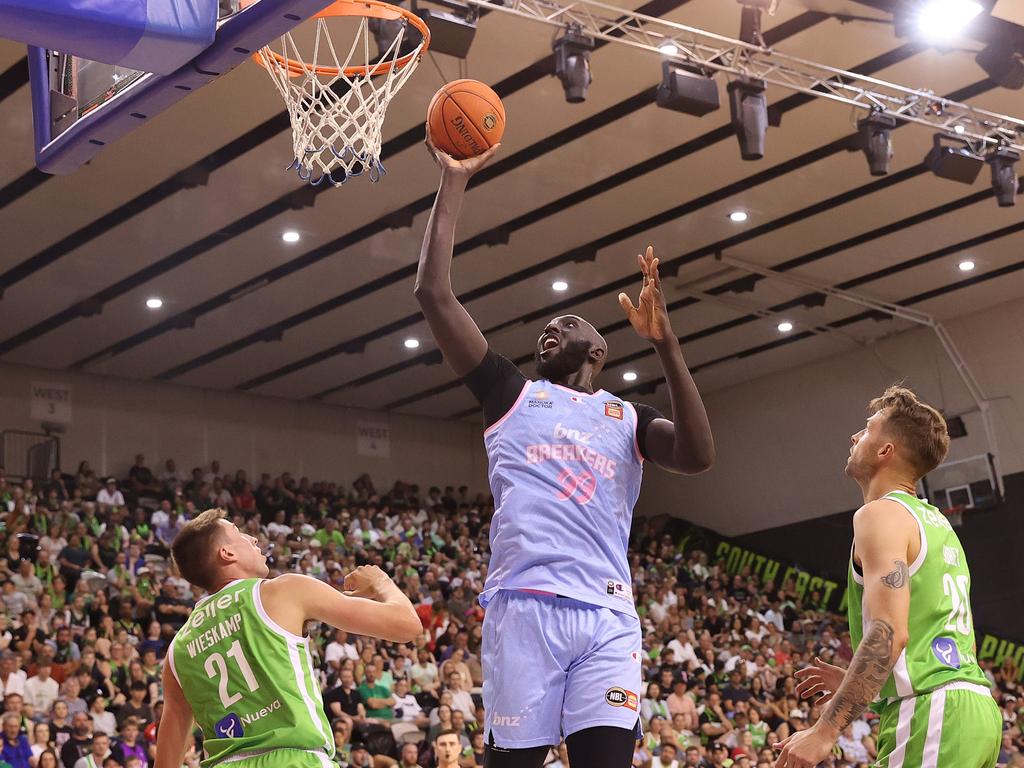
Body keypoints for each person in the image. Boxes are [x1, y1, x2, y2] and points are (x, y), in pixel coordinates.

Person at [416, 139, 714, 768]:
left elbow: (697, 456)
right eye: (546, 329)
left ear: (600, 350)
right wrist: (453, 181)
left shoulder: (627, 417)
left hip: (607, 614)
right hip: (525, 607)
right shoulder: (509, 393)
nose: (550, 330)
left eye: (569, 324)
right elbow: (434, 294)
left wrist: (667, 345)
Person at [773, 387, 1003, 768]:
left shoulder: (880, 515)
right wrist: (860, 682)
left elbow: (889, 633)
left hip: (935, 713)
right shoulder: (938, 523)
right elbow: (933, 640)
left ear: (885, 451)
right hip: (972, 710)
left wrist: (825, 731)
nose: (854, 437)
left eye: (866, 430)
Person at [155, 508, 420, 768]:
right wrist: (382, 581)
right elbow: (406, 625)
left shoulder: (177, 650)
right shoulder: (284, 591)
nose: (253, 538)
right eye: (239, 534)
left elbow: (165, 763)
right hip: (295, 758)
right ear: (227, 553)